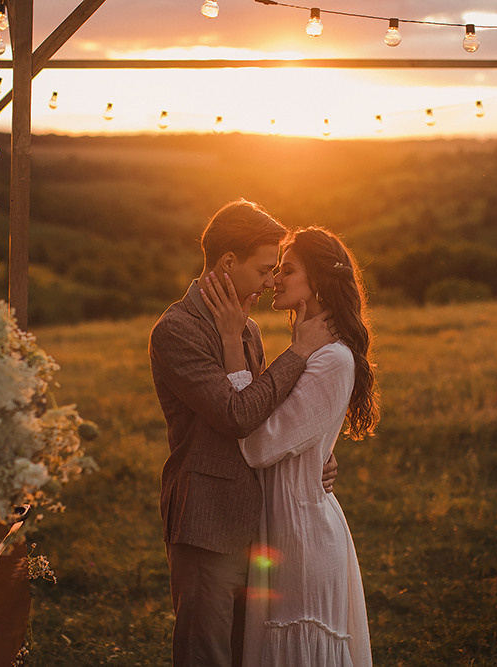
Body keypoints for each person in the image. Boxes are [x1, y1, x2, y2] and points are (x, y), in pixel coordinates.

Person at [149, 200, 338, 666]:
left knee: (247, 658)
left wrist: (310, 454)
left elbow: (265, 415)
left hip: (260, 527)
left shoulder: (248, 328)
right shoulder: (176, 330)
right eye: (264, 269)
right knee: (206, 657)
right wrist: (299, 351)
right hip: (207, 524)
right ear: (228, 263)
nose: (271, 281)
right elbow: (237, 413)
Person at [200, 226, 378, 666]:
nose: (275, 278)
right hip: (281, 532)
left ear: (317, 280)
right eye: (274, 268)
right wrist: (319, 452)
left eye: (288, 269)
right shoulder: (310, 350)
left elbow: (259, 444)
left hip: (303, 539)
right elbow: (291, 429)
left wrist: (229, 341)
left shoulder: (332, 358)